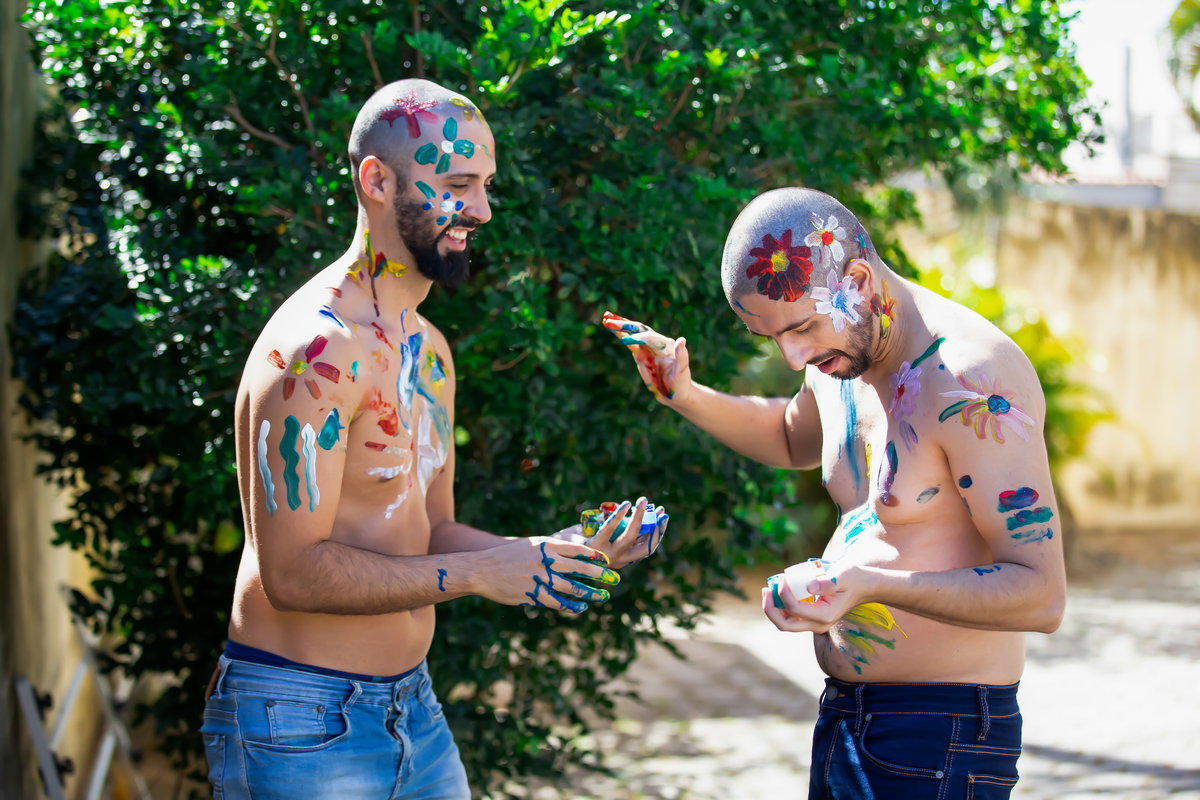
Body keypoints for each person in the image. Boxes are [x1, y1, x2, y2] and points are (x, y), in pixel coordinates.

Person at [201, 79, 667, 800]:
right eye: (457, 184)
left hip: (412, 711)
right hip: (296, 722)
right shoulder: (314, 354)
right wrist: (482, 576)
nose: (481, 209)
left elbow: (432, 528)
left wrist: (544, 557)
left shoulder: (430, 350)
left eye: (485, 185)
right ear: (376, 180)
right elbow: (289, 576)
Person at [605, 187, 1065, 799]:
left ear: (857, 279)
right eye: (772, 340)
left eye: (802, 328)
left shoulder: (968, 379)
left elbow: (1040, 596)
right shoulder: (838, 360)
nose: (794, 355)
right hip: (849, 718)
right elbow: (792, 437)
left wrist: (865, 585)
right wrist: (684, 394)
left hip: (943, 734)